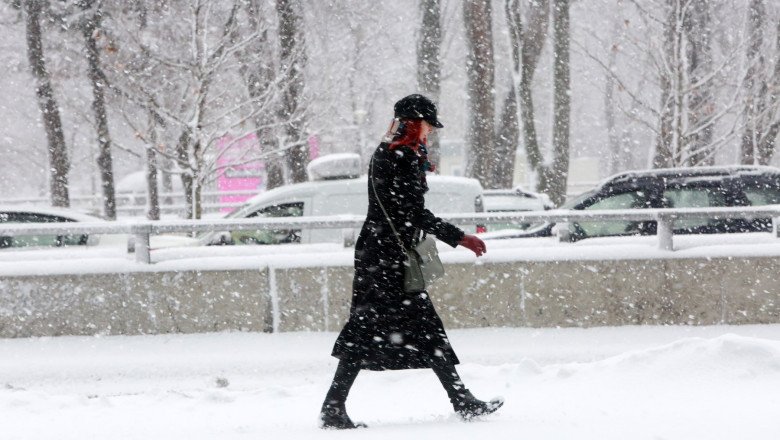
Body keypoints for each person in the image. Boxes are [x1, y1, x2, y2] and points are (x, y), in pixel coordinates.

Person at [319, 94, 503, 429]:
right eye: (428, 125)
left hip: (380, 253)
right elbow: (412, 212)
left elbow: (401, 207)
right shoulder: (401, 155)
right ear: (416, 122)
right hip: (388, 259)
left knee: (389, 327)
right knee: (388, 328)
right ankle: (460, 400)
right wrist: (459, 237)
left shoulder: (388, 151)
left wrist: (419, 167)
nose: (430, 131)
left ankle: (460, 399)